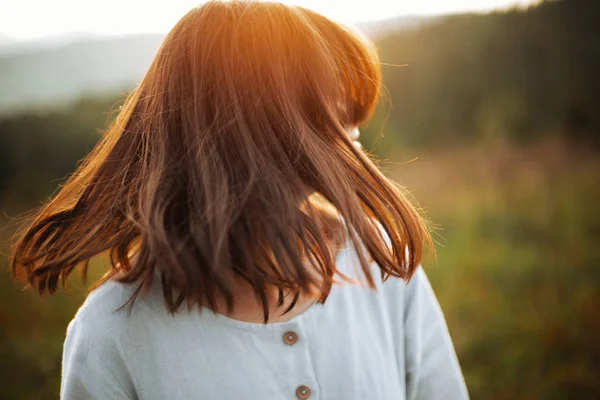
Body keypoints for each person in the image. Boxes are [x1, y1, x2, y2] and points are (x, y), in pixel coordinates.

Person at [10, 1, 468, 399]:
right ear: (252, 141)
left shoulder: (378, 264)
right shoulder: (114, 333)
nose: (354, 150)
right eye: (333, 128)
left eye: (353, 127)